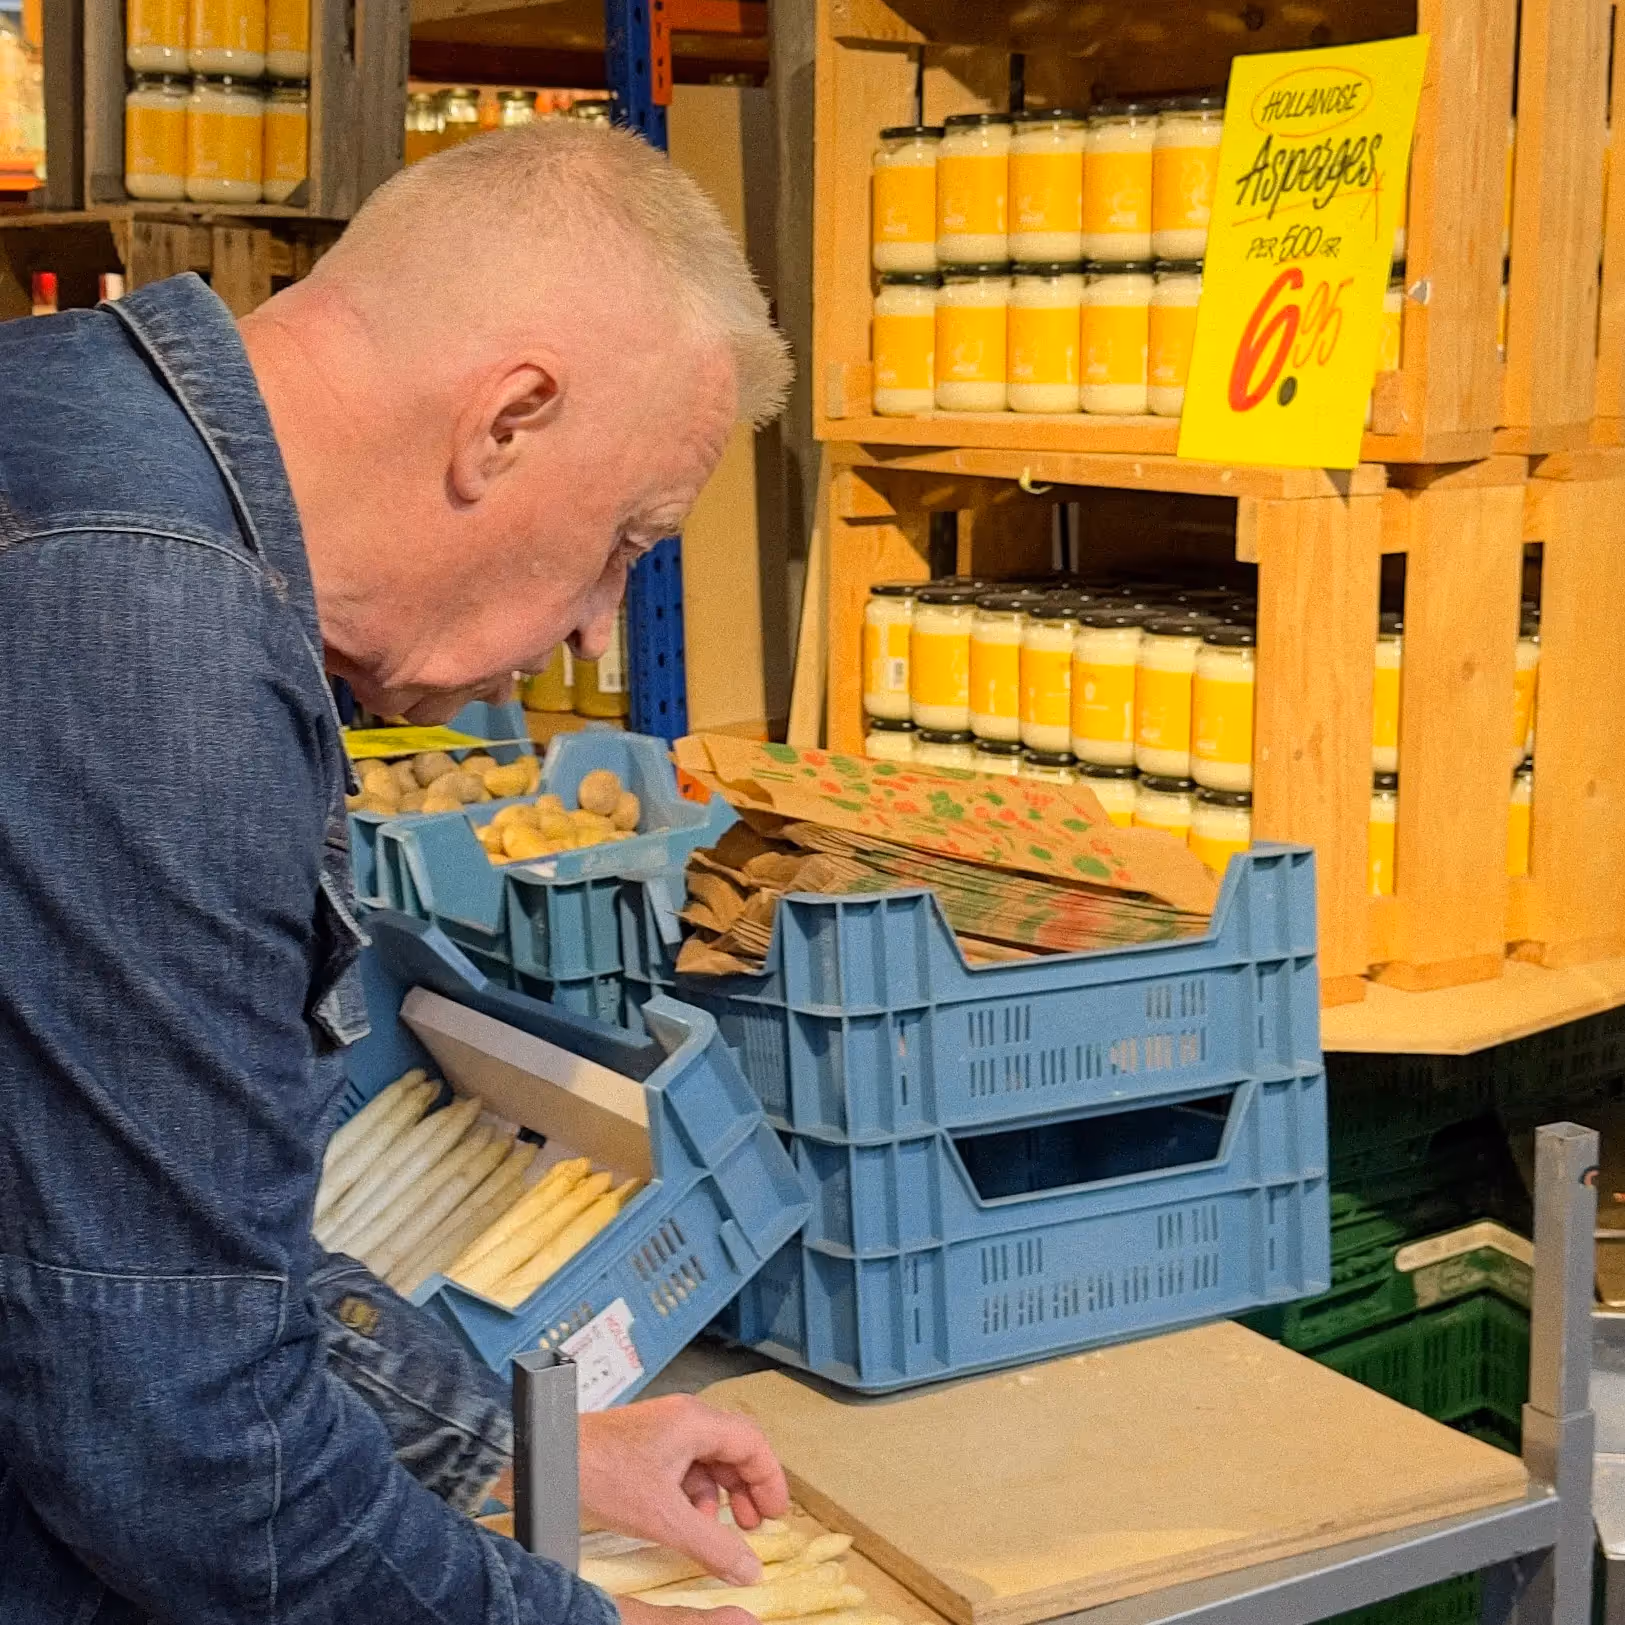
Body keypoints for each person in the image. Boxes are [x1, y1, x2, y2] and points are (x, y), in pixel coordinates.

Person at [0, 119, 793, 1623]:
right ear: (507, 419)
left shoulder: (78, 428)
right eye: (631, 540)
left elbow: (140, 1254)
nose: (597, 637)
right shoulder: (147, 632)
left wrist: (498, 1451)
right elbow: (192, 1452)